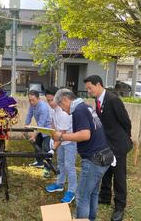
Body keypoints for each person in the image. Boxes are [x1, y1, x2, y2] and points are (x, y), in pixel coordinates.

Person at [52, 88, 110, 221]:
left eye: (61, 105)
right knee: (92, 194)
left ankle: (82, 219)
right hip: (103, 156)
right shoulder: (85, 106)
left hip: (93, 160)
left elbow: (85, 134)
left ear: (66, 99)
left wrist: (61, 137)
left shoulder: (78, 110)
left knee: (82, 195)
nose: (62, 109)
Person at [84, 75, 132, 221]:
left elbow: (125, 121)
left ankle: (119, 207)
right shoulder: (97, 100)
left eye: (89, 88)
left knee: (119, 176)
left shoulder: (113, 99)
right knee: (106, 171)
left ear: (98, 85)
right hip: (106, 143)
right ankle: (104, 197)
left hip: (118, 144)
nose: (88, 91)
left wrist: (126, 137)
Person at [44, 87, 77, 203]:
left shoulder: (64, 112)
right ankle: (60, 184)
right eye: (48, 100)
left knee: (69, 166)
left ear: (58, 99)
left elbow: (62, 134)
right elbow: (53, 123)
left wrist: (52, 149)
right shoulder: (52, 109)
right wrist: (52, 137)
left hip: (70, 142)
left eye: (52, 100)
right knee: (60, 163)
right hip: (60, 141)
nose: (50, 103)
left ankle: (72, 191)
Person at [25, 90, 52, 172]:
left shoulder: (43, 107)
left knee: (46, 147)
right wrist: (26, 126)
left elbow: (41, 123)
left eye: (33, 100)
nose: (31, 102)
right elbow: (29, 115)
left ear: (38, 98)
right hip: (40, 129)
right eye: (29, 100)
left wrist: (34, 135)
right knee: (37, 144)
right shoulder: (32, 105)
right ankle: (39, 162)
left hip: (48, 128)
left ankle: (48, 166)